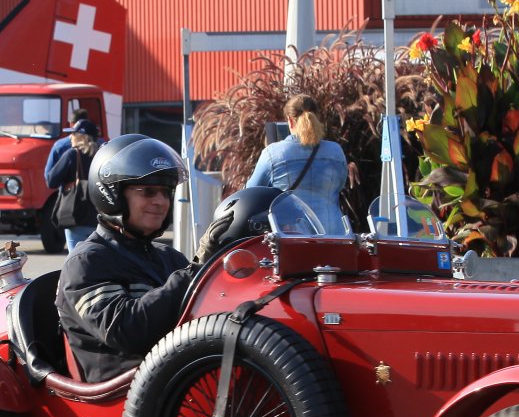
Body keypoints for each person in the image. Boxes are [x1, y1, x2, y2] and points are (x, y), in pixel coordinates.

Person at [56, 134, 229, 381]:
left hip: (181, 383)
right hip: (130, 394)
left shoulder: (170, 258)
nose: (160, 201)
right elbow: (126, 330)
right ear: (112, 194)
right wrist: (195, 272)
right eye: (148, 191)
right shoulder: (86, 263)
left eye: (166, 192)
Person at [245, 94, 350, 232]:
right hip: (335, 235)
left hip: (293, 237)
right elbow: (340, 185)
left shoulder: (272, 154)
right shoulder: (335, 151)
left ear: (290, 121)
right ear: (317, 117)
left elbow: (251, 193)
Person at [45, 117, 102, 250]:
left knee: (77, 258)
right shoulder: (102, 155)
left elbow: (51, 181)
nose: (70, 137)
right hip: (100, 219)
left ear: (82, 136)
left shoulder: (72, 155)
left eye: (73, 133)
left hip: (76, 217)